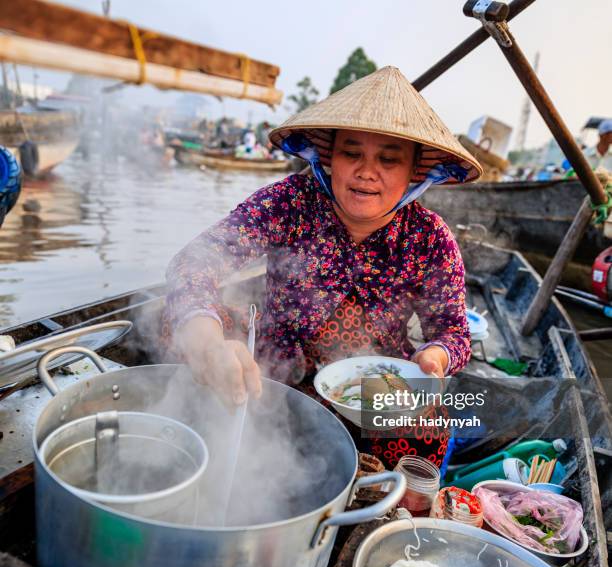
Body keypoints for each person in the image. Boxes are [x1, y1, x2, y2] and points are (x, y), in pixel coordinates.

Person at [162, 66, 482, 468]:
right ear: (330, 156)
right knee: (188, 326)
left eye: (389, 159)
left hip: (373, 391)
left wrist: (434, 357)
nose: (367, 171)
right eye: (352, 153)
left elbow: (452, 331)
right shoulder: (290, 201)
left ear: (415, 173)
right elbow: (194, 261)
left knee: (429, 427)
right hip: (278, 375)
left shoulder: (430, 238)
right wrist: (209, 345)